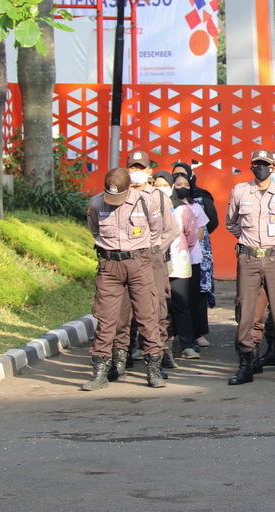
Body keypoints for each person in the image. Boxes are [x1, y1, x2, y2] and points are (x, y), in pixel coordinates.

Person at [225, 148, 275, 386]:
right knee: (246, 311)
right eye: (257, 164)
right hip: (248, 258)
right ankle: (246, 365)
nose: (260, 168)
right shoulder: (240, 191)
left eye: (265, 164)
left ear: (272, 167)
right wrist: (247, 239)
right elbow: (231, 222)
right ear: (252, 166)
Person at [83, 167, 166, 390]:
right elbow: (95, 231)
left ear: (129, 188)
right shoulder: (97, 203)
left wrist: (139, 251)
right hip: (109, 265)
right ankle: (100, 372)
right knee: (106, 319)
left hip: (139, 263)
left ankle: (153, 370)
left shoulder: (145, 201)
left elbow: (156, 230)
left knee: (147, 316)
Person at [113, 150, 178, 380]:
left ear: (149, 171)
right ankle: (123, 357)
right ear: (126, 169)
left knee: (156, 309)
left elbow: (171, 229)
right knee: (123, 310)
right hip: (125, 261)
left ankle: (157, 358)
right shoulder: (118, 194)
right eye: (133, 168)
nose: (137, 172)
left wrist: (151, 249)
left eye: (141, 168)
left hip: (152, 260)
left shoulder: (159, 197)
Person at [153, 171, 199, 360]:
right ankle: (151, 345)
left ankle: (187, 345)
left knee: (180, 305)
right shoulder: (147, 206)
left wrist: (179, 250)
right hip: (154, 263)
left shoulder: (182, 209)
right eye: (157, 185)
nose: (161, 189)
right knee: (154, 305)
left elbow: (192, 237)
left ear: (171, 187)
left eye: (164, 185)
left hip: (178, 263)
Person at [172, 161, 218, 349]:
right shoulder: (165, 204)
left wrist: (185, 242)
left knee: (195, 295)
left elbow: (208, 225)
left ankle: (195, 334)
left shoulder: (199, 201)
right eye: (177, 180)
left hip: (194, 255)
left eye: (185, 180)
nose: (182, 185)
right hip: (170, 258)